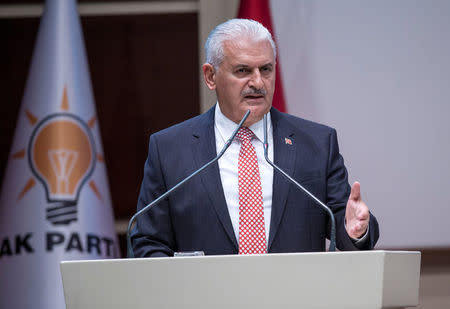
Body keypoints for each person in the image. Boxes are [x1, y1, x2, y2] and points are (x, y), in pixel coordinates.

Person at [131, 19, 379, 257]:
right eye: (243, 70)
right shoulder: (169, 150)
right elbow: (149, 243)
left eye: (266, 69)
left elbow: (344, 227)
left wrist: (357, 230)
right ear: (210, 76)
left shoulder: (317, 144)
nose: (258, 82)